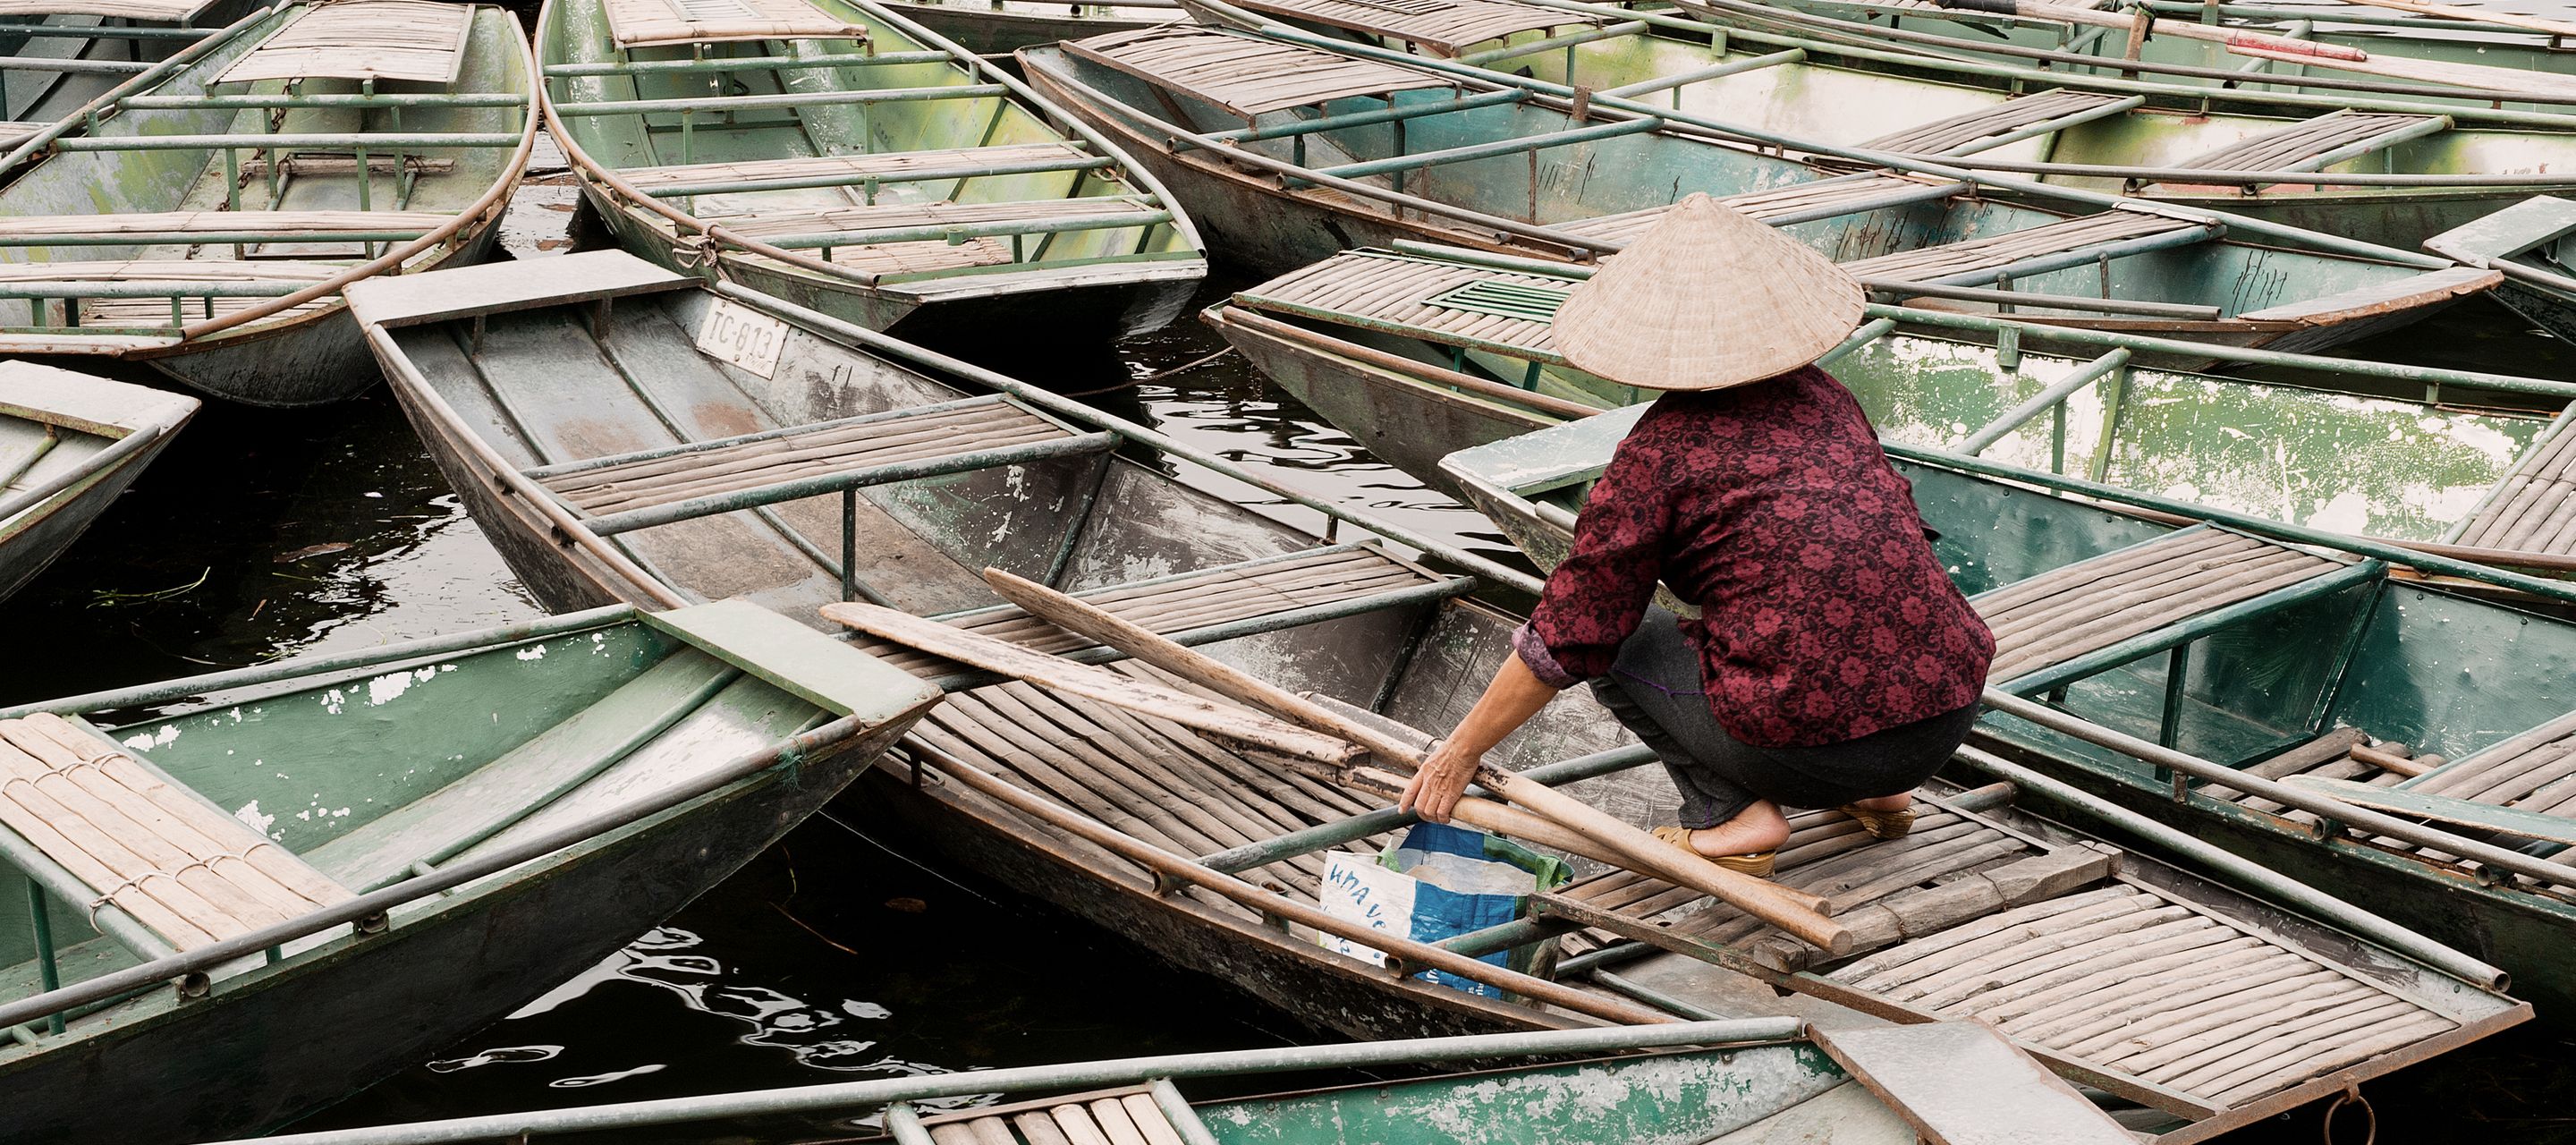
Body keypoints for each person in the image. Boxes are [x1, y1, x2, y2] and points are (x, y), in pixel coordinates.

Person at [1398, 193, 1996, 876]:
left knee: (1619, 638)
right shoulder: (1828, 397)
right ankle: (1887, 798)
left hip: (1814, 752)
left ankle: (1732, 817)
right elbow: (1894, 535)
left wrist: (1459, 752)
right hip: (1947, 718)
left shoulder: (1659, 454)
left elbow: (1570, 633)